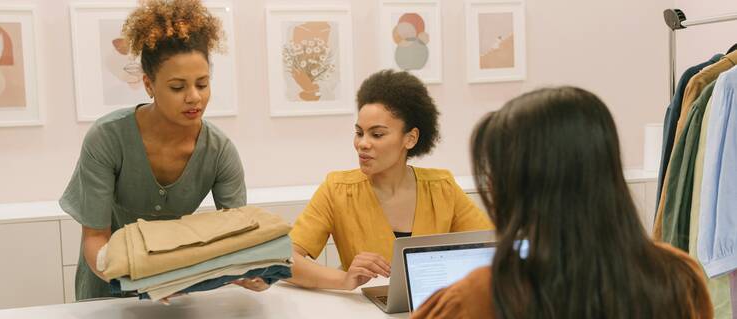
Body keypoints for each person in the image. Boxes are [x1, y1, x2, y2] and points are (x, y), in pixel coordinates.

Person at [412, 87, 713, 319]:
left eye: (497, 173)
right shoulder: (675, 275)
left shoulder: (481, 296)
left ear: (526, 185)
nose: (490, 185)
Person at [59, 0, 267, 301]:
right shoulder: (106, 138)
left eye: (203, 84)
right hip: (106, 285)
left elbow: (234, 235)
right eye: (177, 87)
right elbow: (94, 238)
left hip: (176, 288)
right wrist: (136, 278)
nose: (194, 97)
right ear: (148, 84)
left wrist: (248, 270)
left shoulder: (220, 152)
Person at [287, 70, 494, 290]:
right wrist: (344, 280)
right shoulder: (337, 189)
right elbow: (283, 260)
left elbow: (492, 249)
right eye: (359, 133)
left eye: (377, 135)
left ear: (410, 138)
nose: (362, 144)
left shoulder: (442, 187)